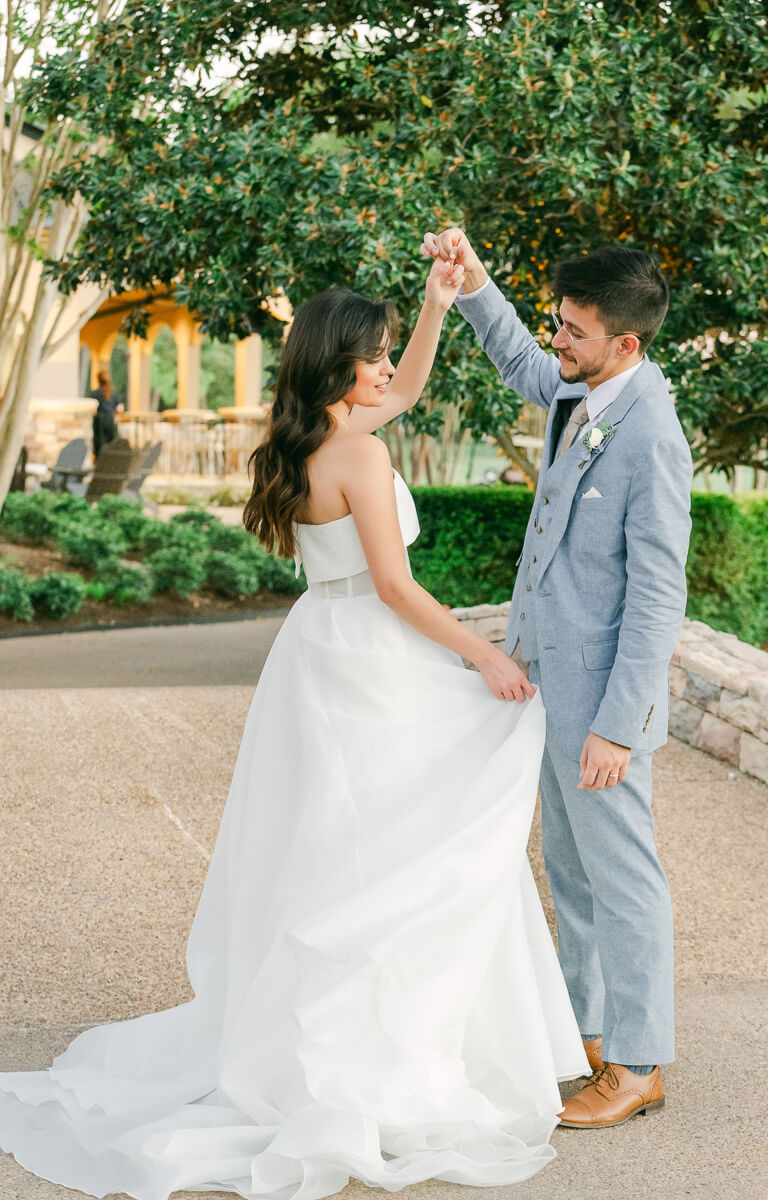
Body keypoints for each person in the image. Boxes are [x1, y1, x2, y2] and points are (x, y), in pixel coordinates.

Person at [0, 253, 589, 1200]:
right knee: (402, 839)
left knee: (341, 851)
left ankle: (330, 1033)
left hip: (319, 651)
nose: (388, 370)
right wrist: (483, 654)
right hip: (369, 655)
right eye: (374, 358)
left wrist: (439, 306)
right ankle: (374, 1050)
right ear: (335, 366)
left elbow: (413, 387)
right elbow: (396, 588)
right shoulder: (360, 447)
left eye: (390, 352)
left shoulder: (321, 433)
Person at [421, 227, 692, 1128]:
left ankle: (640, 1061)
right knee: (569, 872)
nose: (557, 343)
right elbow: (518, 362)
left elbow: (657, 596)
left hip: (602, 705)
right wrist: (473, 284)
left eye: (572, 331)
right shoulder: (580, 390)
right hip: (549, 685)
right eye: (557, 323)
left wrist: (619, 726)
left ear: (627, 343)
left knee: (624, 878)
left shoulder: (650, 431)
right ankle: (586, 1032)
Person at [90, 369, 124, 458]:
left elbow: (92, 409)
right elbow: (120, 407)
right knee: (111, 442)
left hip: (99, 421)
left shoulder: (95, 393)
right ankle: (109, 462)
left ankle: (100, 463)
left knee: (100, 444)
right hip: (110, 420)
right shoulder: (113, 393)